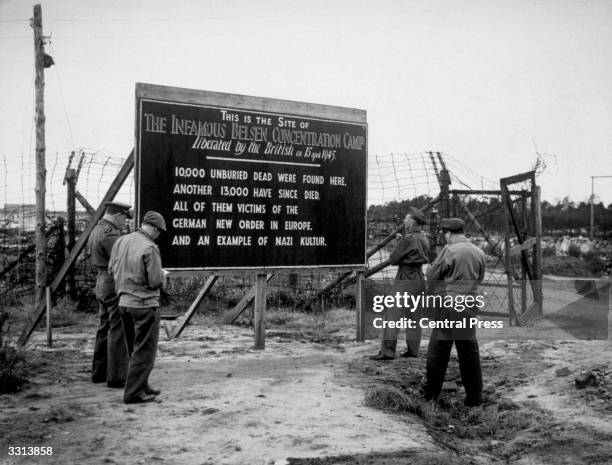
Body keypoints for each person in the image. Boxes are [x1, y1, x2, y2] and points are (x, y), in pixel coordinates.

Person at [423, 218, 486, 407]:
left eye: (444, 234)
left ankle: (431, 395)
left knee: (438, 351)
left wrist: (430, 270)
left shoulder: (449, 250)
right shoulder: (479, 252)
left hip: (448, 306)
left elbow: (433, 275)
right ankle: (474, 397)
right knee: (469, 352)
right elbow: (480, 278)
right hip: (469, 305)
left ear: (448, 233)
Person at [108, 211, 167, 404]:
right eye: (159, 231)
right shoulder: (150, 247)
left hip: (123, 303)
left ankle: (142, 385)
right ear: (155, 229)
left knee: (133, 348)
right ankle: (133, 393)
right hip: (145, 305)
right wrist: (163, 276)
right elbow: (155, 280)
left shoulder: (121, 241)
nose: (158, 235)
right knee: (145, 350)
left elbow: (111, 269)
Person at [370, 206, 430, 361]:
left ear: (412, 222)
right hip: (419, 278)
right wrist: (402, 241)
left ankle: (387, 352)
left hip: (405, 279)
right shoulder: (423, 238)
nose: (404, 220)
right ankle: (413, 350)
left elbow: (393, 260)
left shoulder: (407, 239)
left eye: (406, 218)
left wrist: (400, 243)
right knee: (414, 315)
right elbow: (416, 252)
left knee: (392, 315)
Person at [89, 201, 131, 387]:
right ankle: (117, 376)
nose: (124, 222)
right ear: (116, 215)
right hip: (112, 282)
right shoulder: (110, 234)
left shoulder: (97, 230)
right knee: (118, 327)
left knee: (104, 326)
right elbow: (122, 259)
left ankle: (99, 372)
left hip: (101, 281)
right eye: (123, 217)